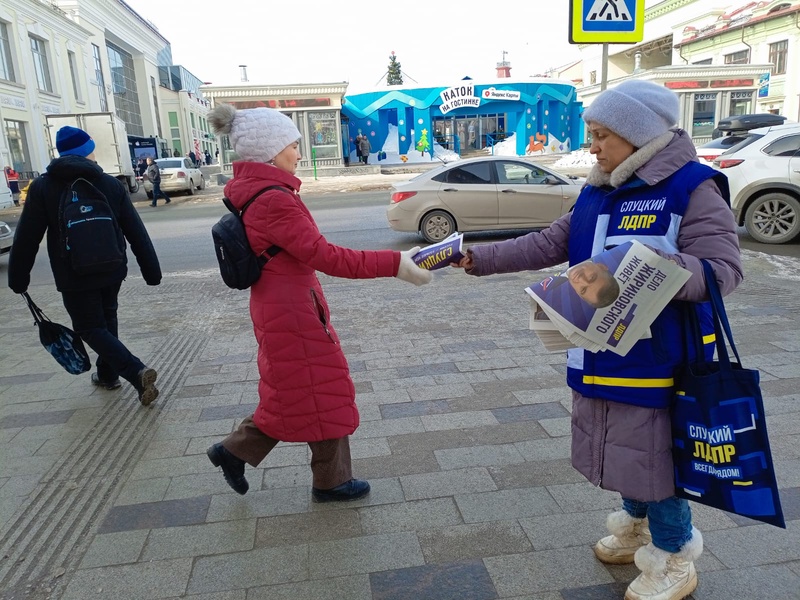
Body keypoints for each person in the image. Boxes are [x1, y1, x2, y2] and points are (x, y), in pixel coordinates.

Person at [451, 80, 742, 600]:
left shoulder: (694, 187)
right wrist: (478, 257)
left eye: (602, 134)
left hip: (661, 359)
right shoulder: (597, 189)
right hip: (599, 347)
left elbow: (722, 272)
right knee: (623, 446)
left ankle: (675, 557)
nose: (593, 145)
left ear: (638, 135)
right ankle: (636, 528)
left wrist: (650, 268)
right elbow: (548, 242)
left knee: (658, 459)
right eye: (591, 133)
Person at [204, 104, 432, 502]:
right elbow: (327, 257)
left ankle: (240, 453)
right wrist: (393, 263)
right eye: (292, 145)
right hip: (290, 309)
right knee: (319, 389)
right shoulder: (274, 199)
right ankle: (327, 480)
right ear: (271, 153)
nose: (298, 152)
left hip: (284, 303)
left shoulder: (263, 192)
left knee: (301, 390)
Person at [7, 125, 162, 405]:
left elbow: (27, 237)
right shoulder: (109, 183)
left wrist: (18, 278)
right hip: (112, 267)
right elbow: (135, 230)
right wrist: (151, 270)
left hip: (73, 272)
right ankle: (107, 374)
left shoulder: (43, 187)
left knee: (90, 327)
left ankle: (134, 370)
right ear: (89, 151)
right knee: (106, 318)